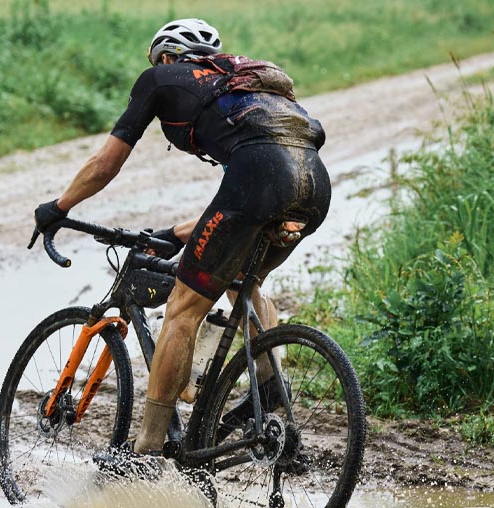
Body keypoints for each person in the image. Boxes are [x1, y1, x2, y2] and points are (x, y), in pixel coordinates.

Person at [34, 18, 330, 463]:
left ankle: (147, 449)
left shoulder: (161, 78)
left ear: (169, 57)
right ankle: (270, 386)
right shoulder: (241, 87)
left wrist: (59, 207)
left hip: (260, 178)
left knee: (183, 308)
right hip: (314, 186)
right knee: (243, 282)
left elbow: (105, 164)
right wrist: (173, 234)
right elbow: (238, 204)